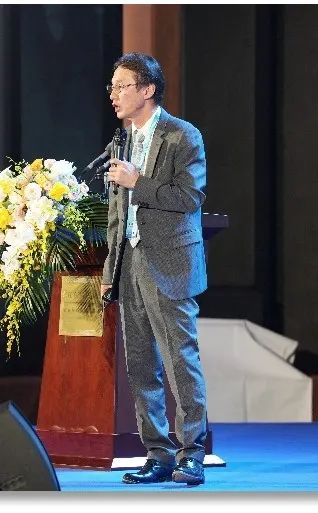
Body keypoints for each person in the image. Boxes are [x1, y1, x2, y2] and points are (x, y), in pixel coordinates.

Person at [101, 52, 209, 486]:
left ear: (147, 90)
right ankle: (158, 453)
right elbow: (116, 213)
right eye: (111, 87)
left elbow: (190, 198)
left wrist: (138, 183)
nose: (113, 94)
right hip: (130, 262)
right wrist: (110, 268)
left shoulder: (183, 136)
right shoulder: (121, 141)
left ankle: (192, 453)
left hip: (170, 263)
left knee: (179, 359)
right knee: (141, 363)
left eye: (121, 86)